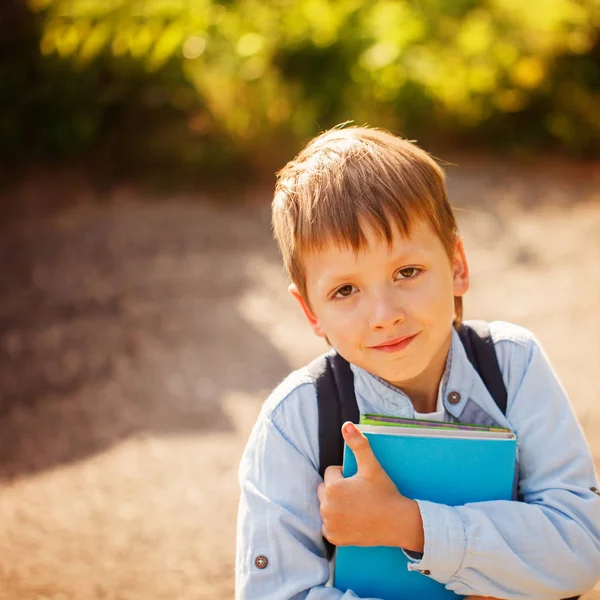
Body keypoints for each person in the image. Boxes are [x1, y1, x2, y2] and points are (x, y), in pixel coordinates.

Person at [235, 126, 600, 599]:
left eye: (407, 272)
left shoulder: (513, 366)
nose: (385, 316)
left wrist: (412, 526)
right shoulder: (296, 420)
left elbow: (581, 546)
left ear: (457, 264)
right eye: (345, 290)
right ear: (310, 312)